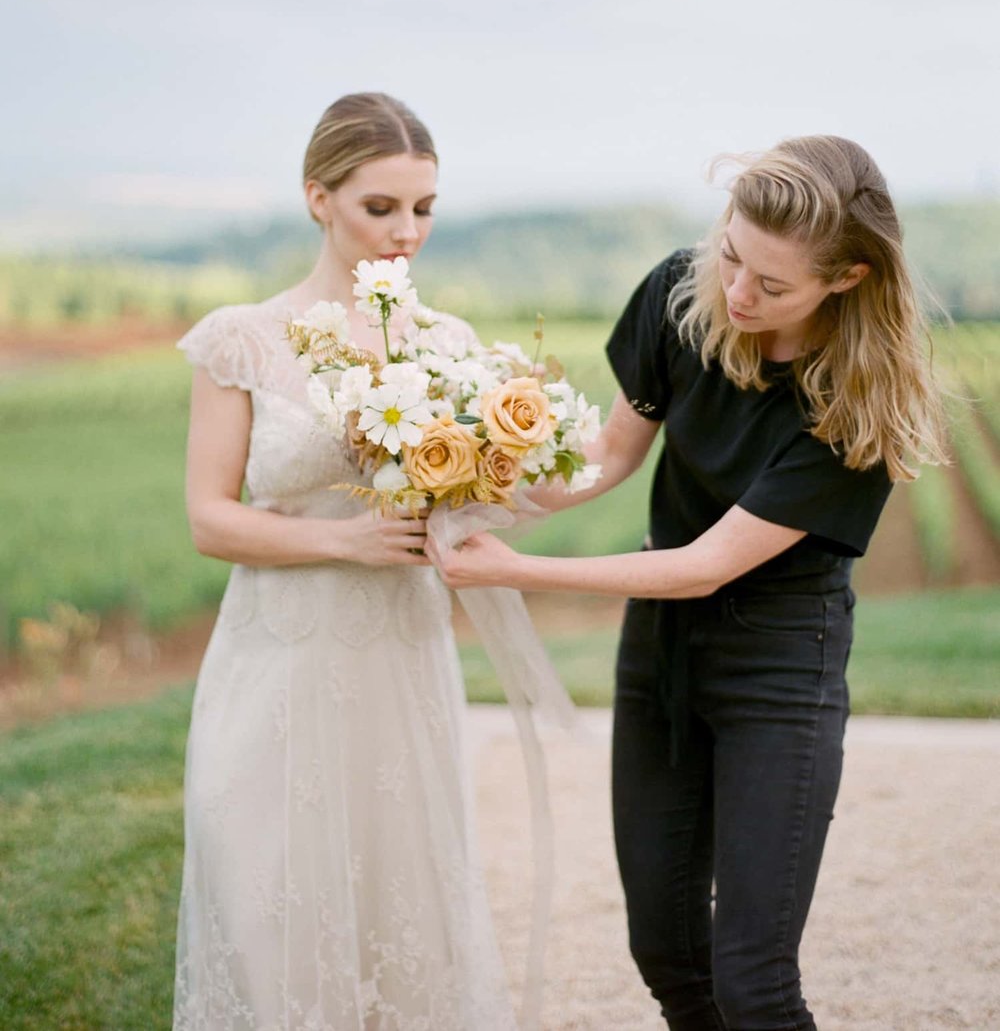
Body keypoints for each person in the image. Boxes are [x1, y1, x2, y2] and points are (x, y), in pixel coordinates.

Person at [429, 135, 947, 1031]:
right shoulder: (683, 292)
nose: (737, 292)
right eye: (731, 253)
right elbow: (604, 460)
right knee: (666, 953)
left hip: (778, 670)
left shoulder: (858, 407)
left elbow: (705, 564)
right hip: (660, 653)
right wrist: (483, 470)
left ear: (849, 279)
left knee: (753, 981)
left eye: (771, 285)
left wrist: (515, 569)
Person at [172, 93, 518, 1030]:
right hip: (276, 659)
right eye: (381, 208)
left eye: (424, 208)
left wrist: (566, 447)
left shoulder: (448, 347)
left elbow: (493, 491)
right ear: (318, 197)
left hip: (398, 662)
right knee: (269, 907)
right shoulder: (241, 339)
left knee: (399, 908)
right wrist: (343, 539)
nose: (407, 233)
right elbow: (210, 518)